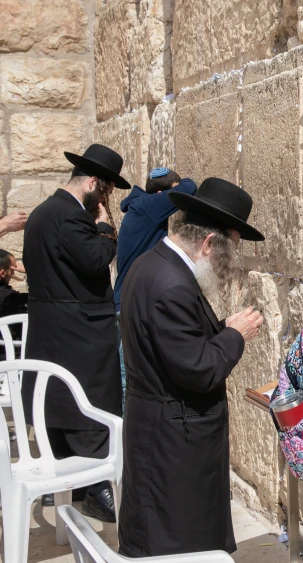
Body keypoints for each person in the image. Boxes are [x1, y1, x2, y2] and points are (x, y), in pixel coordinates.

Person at [117, 177, 264, 557]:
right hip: (172, 440)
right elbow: (198, 369)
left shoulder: (152, 264)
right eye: (227, 253)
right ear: (209, 243)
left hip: (158, 426)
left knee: (161, 527)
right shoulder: (173, 286)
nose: (225, 266)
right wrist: (235, 334)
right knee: (178, 540)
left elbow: (178, 344)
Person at [21, 143, 130, 522]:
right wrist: (104, 228)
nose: (106, 200)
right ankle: (94, 490)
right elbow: (96, 259)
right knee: (90, 413)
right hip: (79, 336)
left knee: (61, 408)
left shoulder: (41, 213)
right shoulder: (70, 217)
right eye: (106, 192)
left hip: (53, 332)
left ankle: (68, 489)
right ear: (94, 184)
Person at [114, 167, 197, 406]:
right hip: (130, 303)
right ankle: (125, 435)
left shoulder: (140, 208)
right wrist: (179, 184)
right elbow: (189, 187)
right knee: (127, 376)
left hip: (126, 300)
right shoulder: (148, 206)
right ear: (161, 193)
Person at [0, 249, 28, 359]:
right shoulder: (10, 299)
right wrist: (29, 270)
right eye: (12, 270)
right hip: (8, 361)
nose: (13, 274)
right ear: (2, 273)